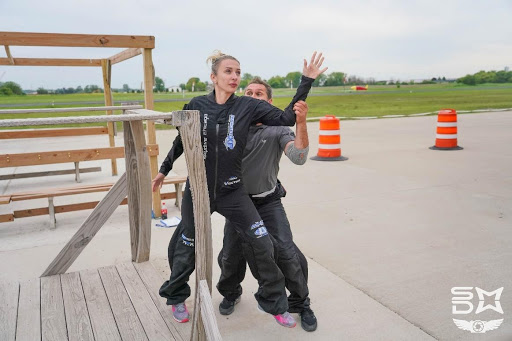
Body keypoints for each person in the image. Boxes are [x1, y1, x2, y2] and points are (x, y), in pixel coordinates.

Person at [152, 51, 327, 328]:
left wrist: (306, 81)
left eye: (237, 72)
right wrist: (164, 168)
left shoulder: (248, 106)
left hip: (234, 191)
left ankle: (274, 302)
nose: (234, 76)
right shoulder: (196, 104)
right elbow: (182, 139)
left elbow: (285, 118)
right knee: (188, 243)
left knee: (263, 241)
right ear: (214, 77)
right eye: (228, 72)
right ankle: (176, 296)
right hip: (199, 190)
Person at [216, 77, 317, 332]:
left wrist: (301, 122)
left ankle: (300, 302)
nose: (252, 96)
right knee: (231, 254)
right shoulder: (232, 127)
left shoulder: (276, 128)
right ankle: (231, 292)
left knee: (285, 251)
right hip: (238, 204)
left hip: (267, 202)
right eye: (248, 92)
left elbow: (299, 157)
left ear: (269, 102)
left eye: (259, 93)